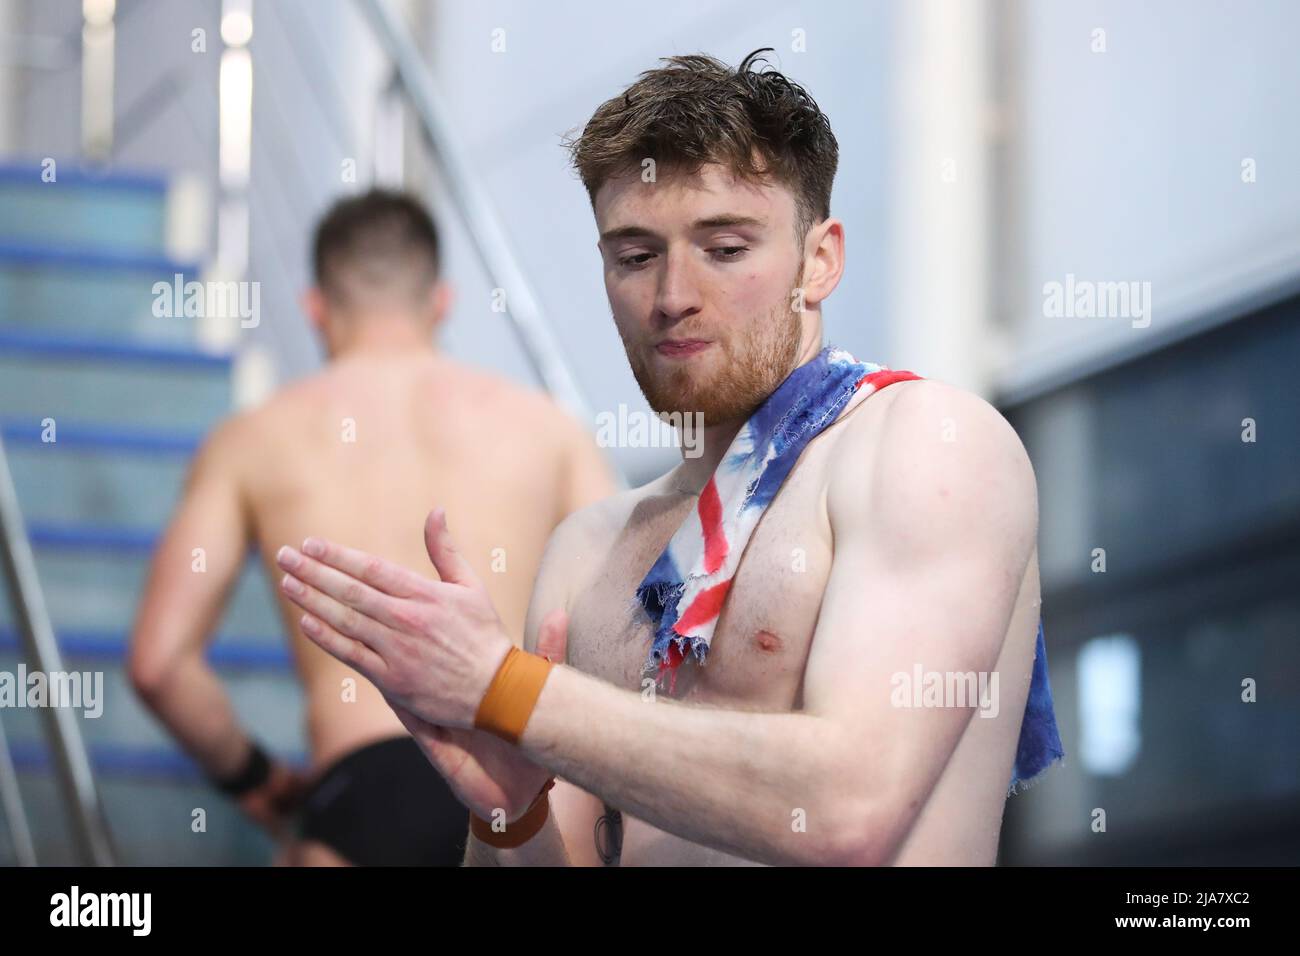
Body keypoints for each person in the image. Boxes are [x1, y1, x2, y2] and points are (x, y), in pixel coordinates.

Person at [274, 50, 1064, 866]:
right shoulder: (590, 548)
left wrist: (511, 693)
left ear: (819, 260)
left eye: (724, 248)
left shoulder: (925, 442)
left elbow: (847, 808)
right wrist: (509, 814)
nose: (673, 295)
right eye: (636, 255)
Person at [128, 188, 617, 865]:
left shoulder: (252, 438)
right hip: (527, 783)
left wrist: (257, 781)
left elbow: (158, 663)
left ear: (315, 309)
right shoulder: (548, 427)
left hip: (362, 791)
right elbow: (636, 623)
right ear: (442, 301)